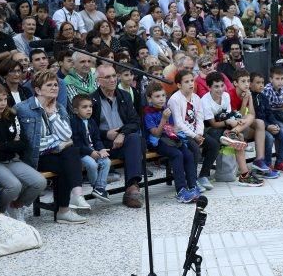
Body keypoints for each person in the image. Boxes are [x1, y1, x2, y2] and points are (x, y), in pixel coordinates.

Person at [16, 72, 89, 224]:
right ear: (37, 90)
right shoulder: (23, 109)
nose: (54, 87)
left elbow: (67, 135)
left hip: (53, 154)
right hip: (34, 157)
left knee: (70, 154)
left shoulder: (59, 107)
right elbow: (31, 143)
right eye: (49, 85)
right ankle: (66, 207)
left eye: (55, 84)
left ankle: (73, 200)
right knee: (69, 157)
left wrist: (52, 115)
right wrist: (57, 143)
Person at [0, 82, 47, 219]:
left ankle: (17, 206)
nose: (3, 103)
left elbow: (24, 144)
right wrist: (12, 144)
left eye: (5, 99)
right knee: (14, 186)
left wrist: (1, 146)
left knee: (40, 182)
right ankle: (1, 212)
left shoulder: (12, 117)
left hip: (12, 160)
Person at [90, 63, 144, 208]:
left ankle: (132, 187)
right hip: (104, 145)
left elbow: (135, 121)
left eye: (114, 75)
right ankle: (131, 190)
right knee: (134, 142)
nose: (113, 80)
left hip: (125, 141)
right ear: (99, 81)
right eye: (107, 77)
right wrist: (106, 134)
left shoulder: (124, 96)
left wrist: (122, 133)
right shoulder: (92, 100)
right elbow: (90, 129)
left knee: (134, 138)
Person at [201, 72, 262, 186]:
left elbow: (229, 115)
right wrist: (228, 122)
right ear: (209, 87)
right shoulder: (205, 100)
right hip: (210, 130)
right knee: (239, 139)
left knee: (247, 121)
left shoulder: (225, 96)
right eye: (216, 86)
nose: (220, 89)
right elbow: (212, 124)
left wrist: (235, 121)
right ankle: (244, 175)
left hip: (226, 126)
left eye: (222, 85)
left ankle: (233, 133)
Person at [144, 82, 202, 202]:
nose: (161, 99)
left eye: (163, 96)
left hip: (170, 139)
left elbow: (171, 128)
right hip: (157, 142)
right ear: (149, 98)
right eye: (157, 96)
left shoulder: (166, 109)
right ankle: (181, 190)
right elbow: (156, 133)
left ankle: (193, 186)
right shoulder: (148, 113)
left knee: (188, 154)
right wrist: (164, 119)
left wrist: (175, 131)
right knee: (177, 155)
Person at [70, 94, 112, 204]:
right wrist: (90, 152)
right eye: (84, 107)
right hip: (81, 153)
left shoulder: (92, 122)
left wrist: (101, 149)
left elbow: (97, 139)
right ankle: (96, 186)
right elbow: (76, 143)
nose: (89, 109)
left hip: (93, 151)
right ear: (75, 110)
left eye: (90, 106)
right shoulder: (74, 122)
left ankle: (99, 188)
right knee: (92, 164)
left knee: (106, 161)